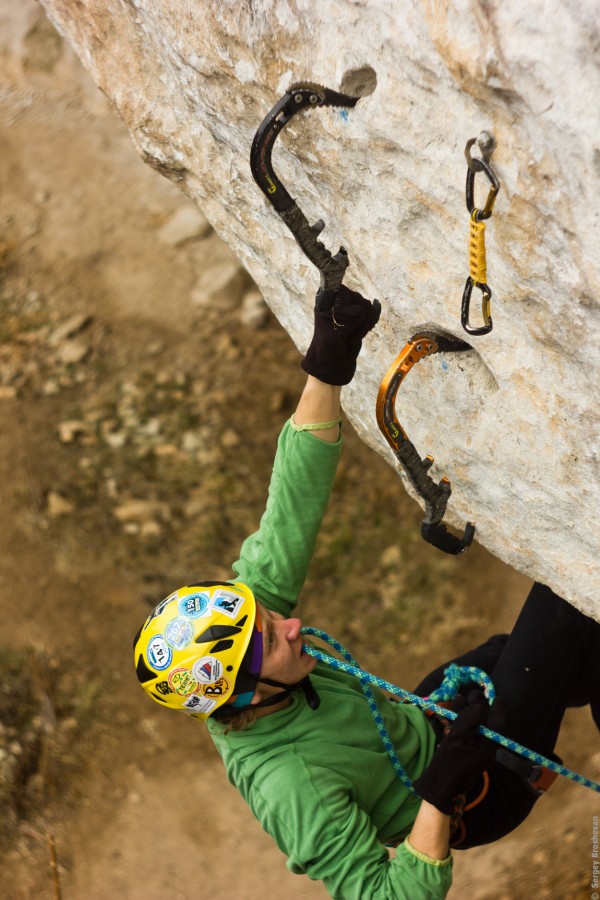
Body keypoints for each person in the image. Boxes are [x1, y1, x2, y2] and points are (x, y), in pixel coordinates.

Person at [133, 286, 600, 899]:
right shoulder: (289, 787)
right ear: (247, 691)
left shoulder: (247, 634)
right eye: (271, 641)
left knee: (548, 653)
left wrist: (326, 364)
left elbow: (290, 507)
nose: (290, 626)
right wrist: (440, 790)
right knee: (566, 600)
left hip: (425, 721)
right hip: (478, 794)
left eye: (267, 618)